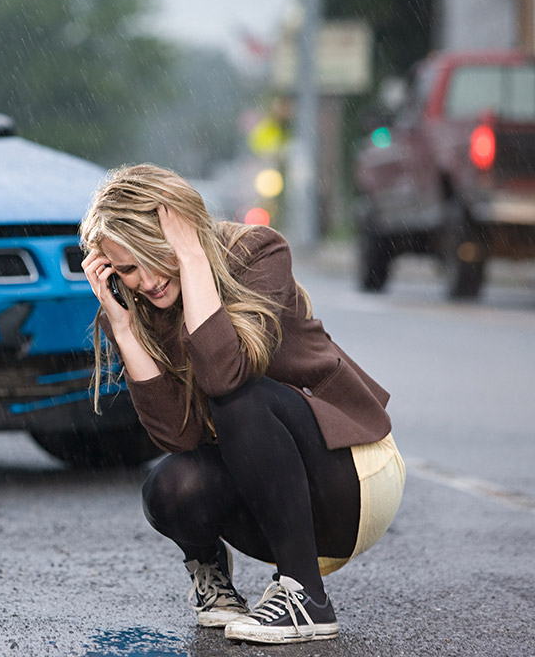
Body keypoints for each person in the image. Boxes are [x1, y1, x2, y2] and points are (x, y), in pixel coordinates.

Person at [79, 163, 405, 645]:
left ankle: (305, 599)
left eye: (154, 254)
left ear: (182, 231)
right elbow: (179, 438)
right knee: (168, 486)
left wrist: (191, 260)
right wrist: (124, 330)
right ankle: (218, 586)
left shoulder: (258, 252)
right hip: (276, 506)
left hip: (353, 479)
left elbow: (224, 377)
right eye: (127, 269)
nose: (145, 280)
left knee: (240, 401)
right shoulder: (141, 308)